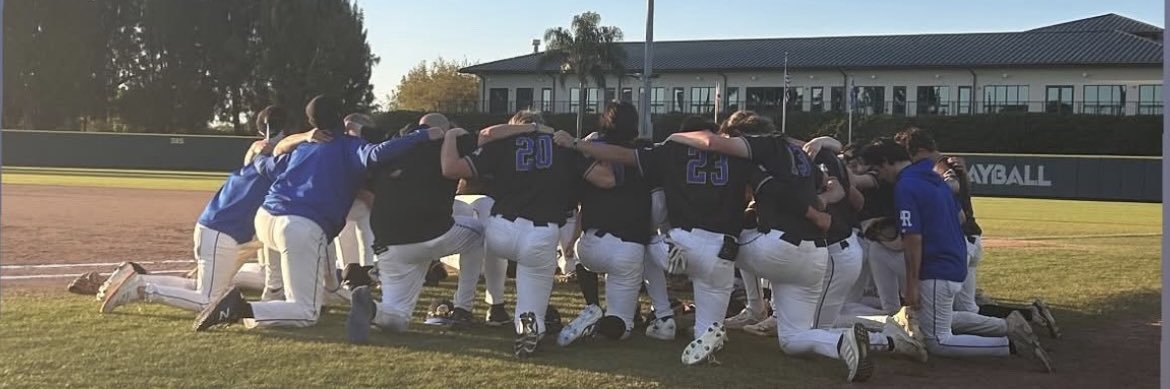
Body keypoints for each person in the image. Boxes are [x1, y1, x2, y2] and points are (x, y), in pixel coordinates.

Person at [665, 111, 884, 382]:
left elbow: (718, 148)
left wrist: (676, 136)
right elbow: (835, 187)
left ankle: (724, 320)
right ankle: (842, 342)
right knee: (792, 339)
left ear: (741, 135)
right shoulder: (797, 152)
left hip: (779, 247)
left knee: (715, 243)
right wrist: (821, 204)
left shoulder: (763, 146)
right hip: (814, 256)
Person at [193, 95, 442, 331]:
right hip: (299, 226)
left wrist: (261, 155)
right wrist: (422, 135)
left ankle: (280, 299)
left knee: (294, 273)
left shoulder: (304, 147)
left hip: (266, 218)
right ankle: (240, 308)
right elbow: (378, 153)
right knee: (306, 312)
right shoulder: (350, 146)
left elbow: (267, 166)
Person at [554, 116, 755, 366]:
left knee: (646, 245)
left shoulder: (672, 149)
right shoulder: (737, 155)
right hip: (722, 249)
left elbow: (625, 157)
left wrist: (577, 144)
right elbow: (753, 192)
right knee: (708, 327)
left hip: (680, 243)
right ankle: (707, 332)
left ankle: (662, 315)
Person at [859, 138, 1053, 373]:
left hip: (936, 266)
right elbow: (960, 218)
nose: (879, 176)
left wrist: (911, 284)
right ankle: (1007, 325)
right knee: (938, 316)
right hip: (955, 259)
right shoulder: (932, 176)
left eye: (877, 170)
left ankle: (1011, 344)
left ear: (886, 162)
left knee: (937, 341)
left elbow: (912, 238)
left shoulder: (906, 185)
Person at [346, 116, 548, 343]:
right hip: (431, 232)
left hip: (389, 243)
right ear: (443, 129)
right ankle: (464, 307)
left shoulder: (392, 142)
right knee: (482, 232)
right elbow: (488, 134)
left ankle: (372, 309)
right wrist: (533, 127)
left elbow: (356, 130)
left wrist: (346, 128)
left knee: (398, 319)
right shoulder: (448, 140)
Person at [96, 111, 307, 315]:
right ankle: (140, 290)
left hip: (219, 229)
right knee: (208, 300)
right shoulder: (270, 159)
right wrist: (306, 137)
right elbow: (277, 149)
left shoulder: (262, 156)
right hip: (222, 233)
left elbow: (271, 149)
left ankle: (138, 279)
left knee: (200, 286)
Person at [440, 111, 614, 358]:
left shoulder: (501, 144)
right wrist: (595, 148)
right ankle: (529, 323)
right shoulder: (563, 147)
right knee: (532, 295)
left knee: (478, 237)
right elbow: (606, 179)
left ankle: (492, 304)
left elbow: (451, 168)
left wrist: (449, 136)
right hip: (542, 233)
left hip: (501, 228)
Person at [556, 102, 653, 345]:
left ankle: (592, 307)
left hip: (592, 245)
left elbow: (590, 194)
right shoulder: (646, 152)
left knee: (580, 256)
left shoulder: (588, 150)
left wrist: (573, 237)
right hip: (630, 247)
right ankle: (606, 322)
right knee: (622, 326)